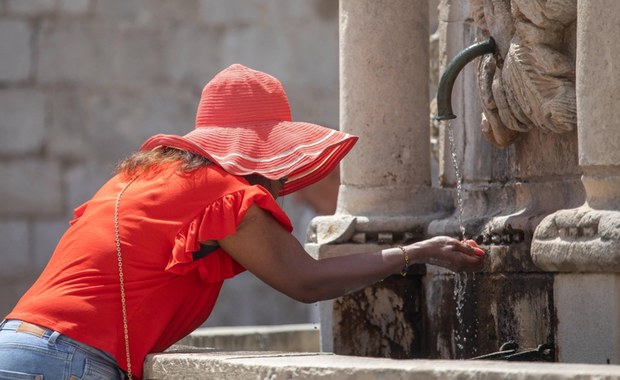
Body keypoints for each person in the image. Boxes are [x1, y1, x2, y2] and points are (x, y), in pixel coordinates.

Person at [0, 64, 485, 379]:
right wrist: (418, 252)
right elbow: (306, 281)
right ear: (261, 151)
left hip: (17, 345)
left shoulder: (142, 177)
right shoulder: (223, 193)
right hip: (64, 363)